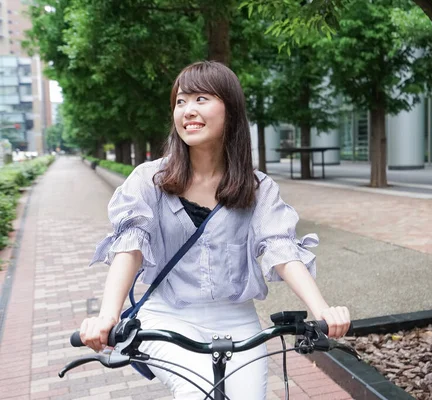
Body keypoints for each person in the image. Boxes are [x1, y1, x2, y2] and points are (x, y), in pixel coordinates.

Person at [79, 61, 351, 399]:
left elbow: (280, 248)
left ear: (231, 110)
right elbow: (130, 247)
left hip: (236, 319)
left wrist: (322, 309)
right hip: (168, 317)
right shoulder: (149, 180)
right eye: (180, 101)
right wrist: (107, 316)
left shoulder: (258, 188)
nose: (187, 110)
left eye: (201, 99)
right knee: (199, 393)